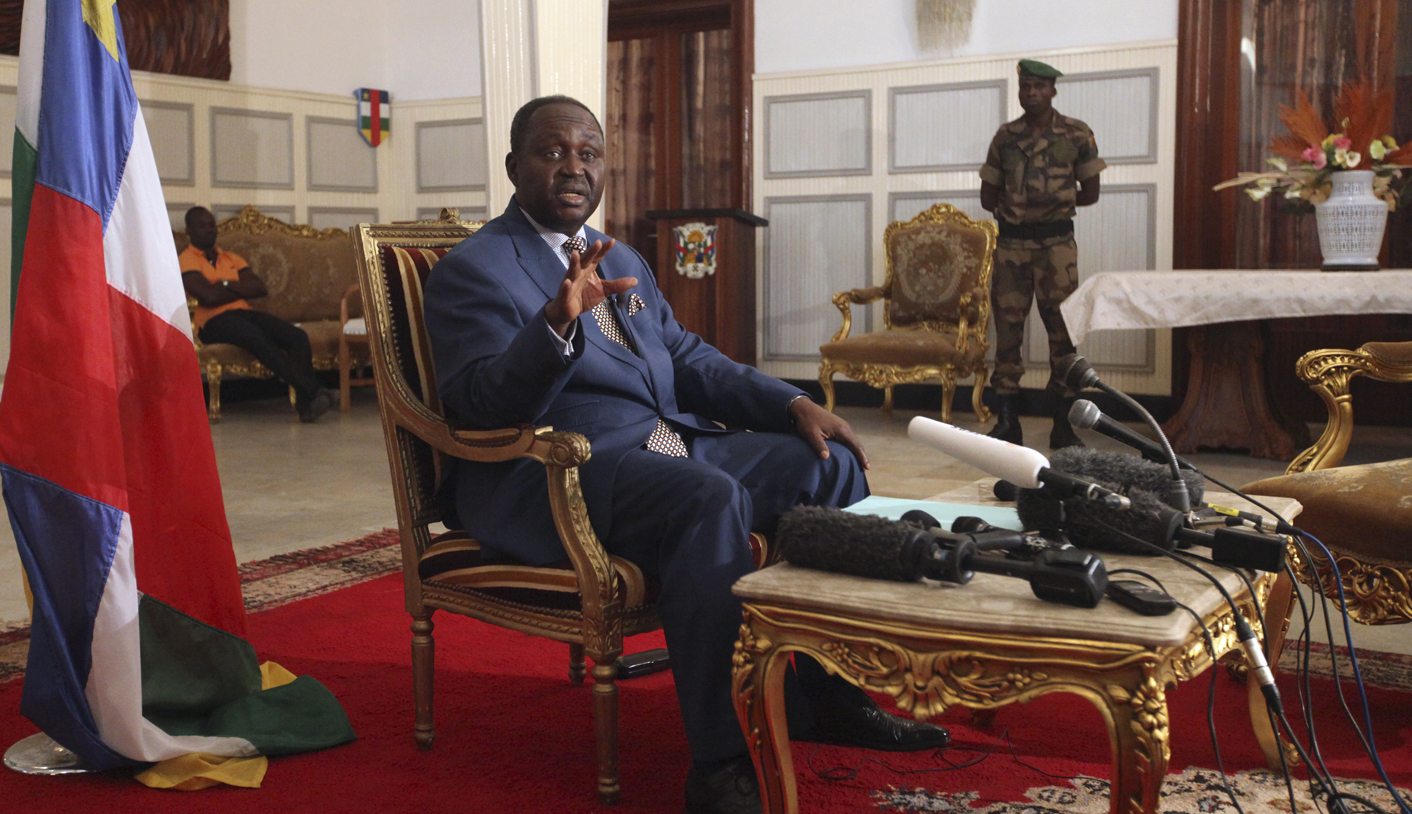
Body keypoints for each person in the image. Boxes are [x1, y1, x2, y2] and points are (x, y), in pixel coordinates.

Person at [424, 95, 949, 814]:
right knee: (707, 498)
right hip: (557, 470)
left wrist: (789, 404)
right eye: (553, 152)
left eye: (589, 153)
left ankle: (830, 696)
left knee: (827, 464)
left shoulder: (620, 255)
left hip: (667, 444)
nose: (574, 168)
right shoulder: (476, 268)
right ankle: (721, 761)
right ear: (515, 166)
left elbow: (684, 357)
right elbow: (479, 402)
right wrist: (553, 328)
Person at [980, 59, 1106, 449]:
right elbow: (987, 196)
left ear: (1053, 90)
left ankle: (1064, 427)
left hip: (1056, 249)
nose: (1031, 93)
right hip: (1012, 247)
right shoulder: (1005, 137)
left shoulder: (1077, 133)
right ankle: (1007, 423)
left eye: (1039, 86)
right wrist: (1022, 211)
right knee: (1007, 336)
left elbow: (1091, 192)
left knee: (1063, 334)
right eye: (1026, 87)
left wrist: (1051, 206)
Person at [180, 206, 336, 423]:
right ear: (189, 231)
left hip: (244, 313)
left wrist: (223, 284)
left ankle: (307, 406)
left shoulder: (230, 257)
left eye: (211, 225)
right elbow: (209, 297)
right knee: (256, 337)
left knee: (297, 337)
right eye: (202, 226)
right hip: (212, 322)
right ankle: (315, 390)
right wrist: (237, 286)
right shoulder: (186, 259)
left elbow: (259, 288)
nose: (209, 230)